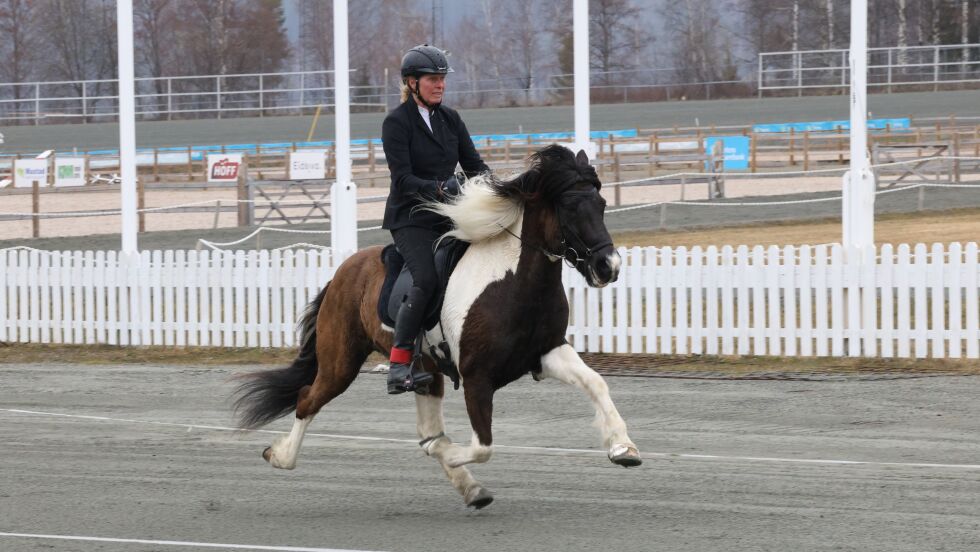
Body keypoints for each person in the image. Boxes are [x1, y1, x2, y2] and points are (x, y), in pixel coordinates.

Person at [381, 44, 489, 395]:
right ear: (412, 83)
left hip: (447, 214)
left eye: (442, 79)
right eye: (432, 79)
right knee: (426, 278)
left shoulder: (451, 119)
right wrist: (440, 187)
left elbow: (475, 167)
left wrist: (504, 190)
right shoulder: (396, 123)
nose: (440, 85)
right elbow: (403, 181)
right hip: (411, 217)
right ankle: (399, 364)